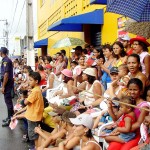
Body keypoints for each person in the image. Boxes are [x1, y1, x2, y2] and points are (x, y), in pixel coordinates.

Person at [108, 78, 149, 150]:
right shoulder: (127, 102)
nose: (132, 92)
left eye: (135, 90)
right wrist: (109, 107)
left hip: (136, 134)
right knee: (112, 147)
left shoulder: (144, 106)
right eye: (130, 89)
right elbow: (115, 118)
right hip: (124, 133)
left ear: (141, 91)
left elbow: (138, 124)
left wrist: (122, 129)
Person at [13, 72, 44, 149]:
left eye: (30, 80)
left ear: (36, 81)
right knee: (33, 134)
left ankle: (36, 147)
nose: (29, 82)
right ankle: (35, 147)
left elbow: (25, 102)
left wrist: (27, 97)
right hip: (33, 115)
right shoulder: (36, 90)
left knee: (34, 135)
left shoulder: (35, 92)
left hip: (33, 117)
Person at [0, 47, 14, 127]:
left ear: (1, 52)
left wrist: (3, 87)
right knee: (7, 101)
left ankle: (10, 120)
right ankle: (9, 117)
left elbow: (6, 74)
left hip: (7, 84)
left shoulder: (6, 61)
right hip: (7, 83)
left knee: (8, 101)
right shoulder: (5, 60)